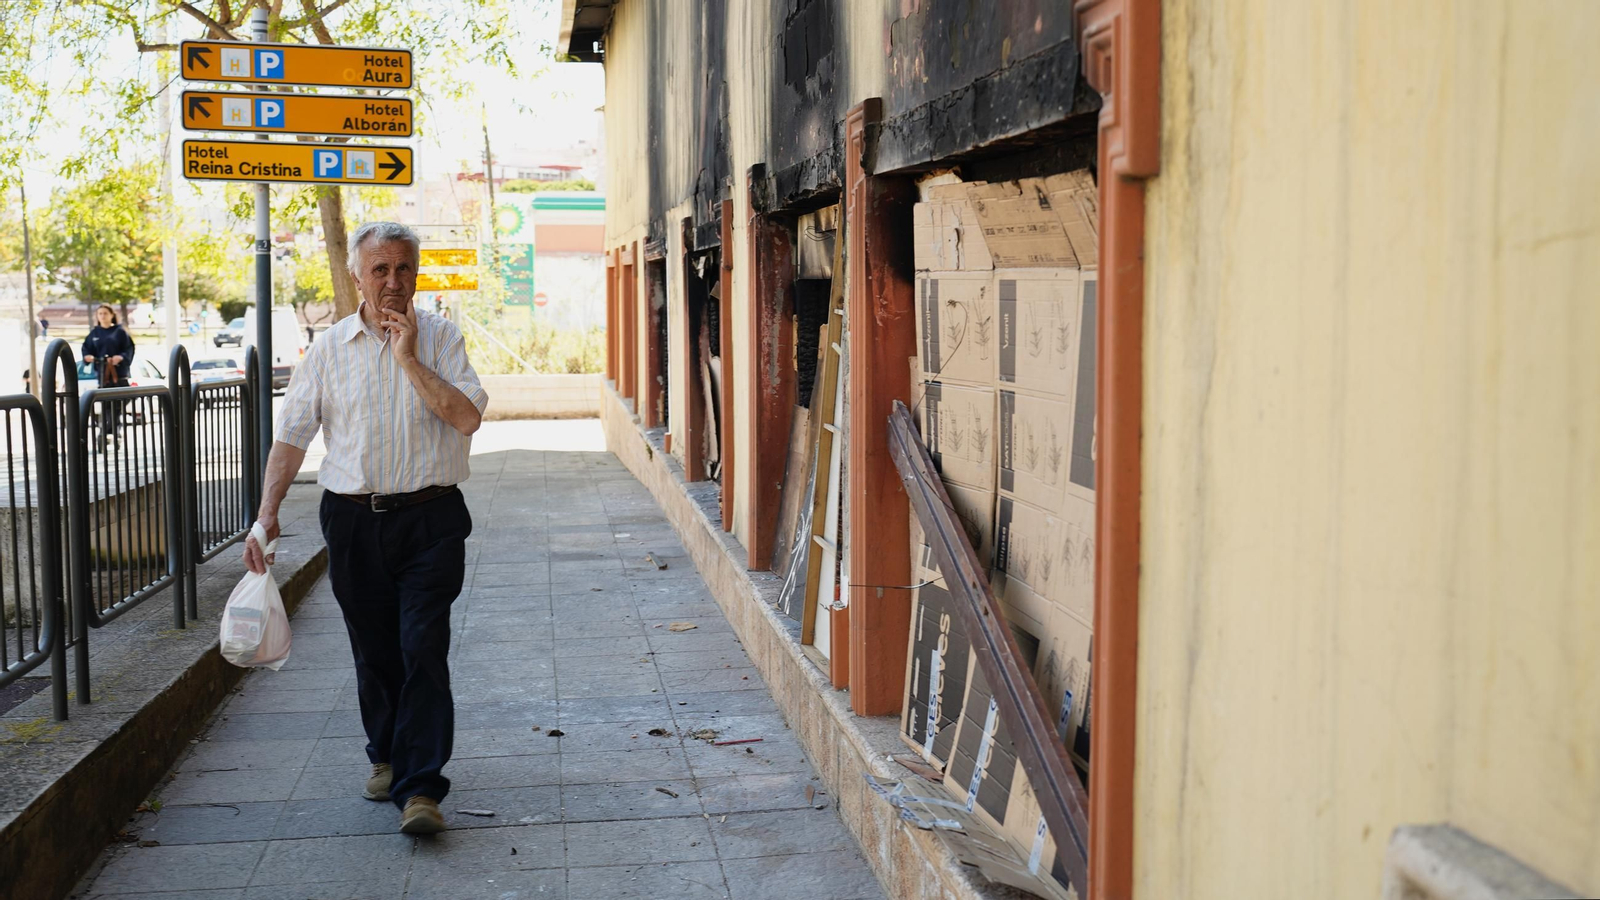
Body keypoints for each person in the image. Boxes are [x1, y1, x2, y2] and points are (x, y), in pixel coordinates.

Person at [243, 222, 487, 835]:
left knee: (422, 646)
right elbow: (292, 437)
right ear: (356, 278)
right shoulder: (326, 351)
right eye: (379, 270)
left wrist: (407, 357)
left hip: (431, 518)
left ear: (417, 273)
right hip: (353, 521)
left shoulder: (443, 339)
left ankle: (421, 788)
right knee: (374, 649)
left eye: (403, 268)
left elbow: (466, 419)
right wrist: (267, 515)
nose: (393, 282)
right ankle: (385, 752)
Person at [81, 304, 135, 443]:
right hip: (102, 375)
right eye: (100, 313)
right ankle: (104, 431)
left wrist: (121, 357)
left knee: (117, 404)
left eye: (105, 313)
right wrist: (88, 357)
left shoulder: (120, 332)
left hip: (118, 375)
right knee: (105, 404)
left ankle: (114, 430)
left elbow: (129, 349)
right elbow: (86, 349)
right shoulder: (94, 334)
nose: (103, 316)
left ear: (111, 314)